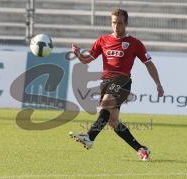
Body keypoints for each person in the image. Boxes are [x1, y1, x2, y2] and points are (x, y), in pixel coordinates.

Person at [69, 8, 164, 161]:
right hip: (106, 82)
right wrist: (78, 54)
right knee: (113, 122)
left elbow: (148, 63)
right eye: (114, 22)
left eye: (119, 23)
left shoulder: (134, 43)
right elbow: (87, 60)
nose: (116, 26)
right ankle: (141, 149)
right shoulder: (102, 40)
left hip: (123, 81)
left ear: (126, 23)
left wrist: (158, 83)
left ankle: (90, 137)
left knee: (106, 103)